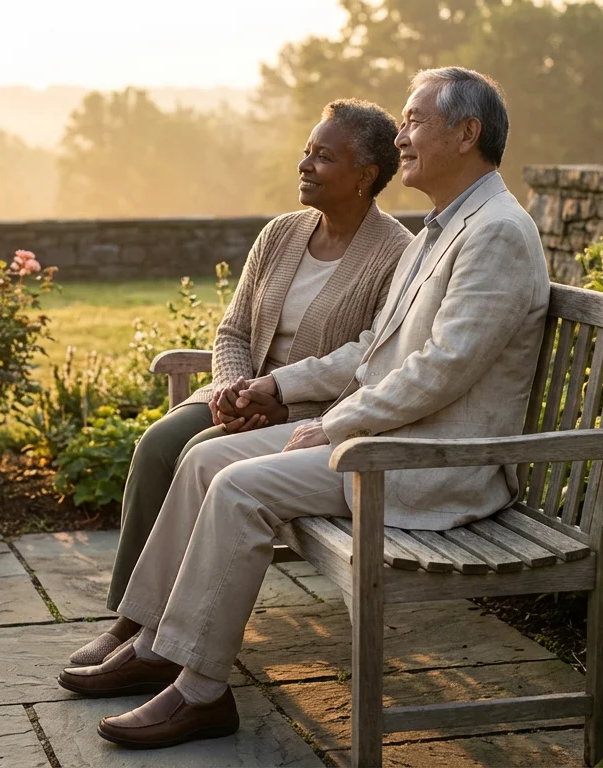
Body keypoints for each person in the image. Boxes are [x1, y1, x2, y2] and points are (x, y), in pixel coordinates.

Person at [59, 66, 552, 749]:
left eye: (413, 122)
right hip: (387, 439)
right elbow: (373, 352)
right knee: (203, 461)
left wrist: (333, 423)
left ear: (466, 134)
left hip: (428, 461)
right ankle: (155, 642)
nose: (402, 136)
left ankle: (200, 693)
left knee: (236, 488)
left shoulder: (495, 232)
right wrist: (280, 389)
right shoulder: (448, 227)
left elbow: (440, 373)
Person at [66, 99, 414, 668]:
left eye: (324, 156)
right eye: (307, 151)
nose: (305, 164)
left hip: (311, 412)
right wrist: (233, 390)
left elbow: (367, 355)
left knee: (201, 454)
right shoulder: (280, 234)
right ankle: (130, 619)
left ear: (366, 175)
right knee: (158, 445)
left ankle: (165, 631)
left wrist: (276, 395)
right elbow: (232, 329)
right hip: (243, 398)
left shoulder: (395, 252)